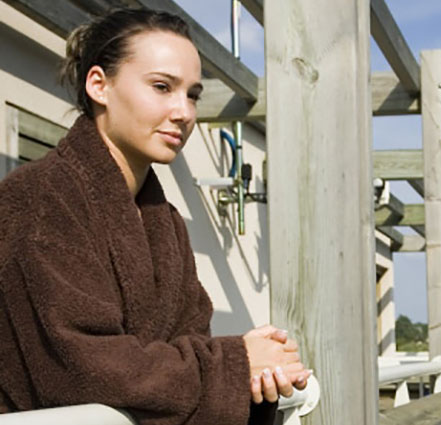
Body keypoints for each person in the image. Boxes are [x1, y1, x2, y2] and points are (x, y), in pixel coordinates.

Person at [0, 8, 310, 425]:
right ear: (99, 85)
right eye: (162, 87)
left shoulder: (164, 222)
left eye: (193, 94)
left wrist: (257, 370)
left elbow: (188, 342)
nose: (184, 112)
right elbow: (81, 371)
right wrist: (237, 362)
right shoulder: (39, 199)